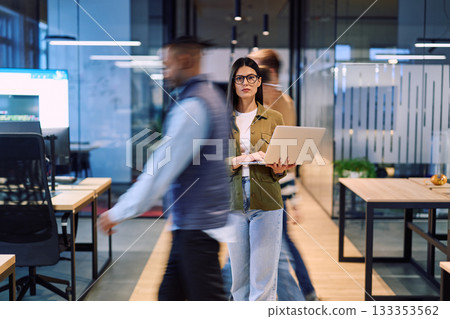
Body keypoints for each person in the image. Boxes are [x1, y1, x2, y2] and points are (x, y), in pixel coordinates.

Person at [99, 36, 230, 301]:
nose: (165, 72)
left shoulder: (193, 105)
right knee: (169, 297)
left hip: (197, 228)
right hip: (194, 225)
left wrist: (119, 211)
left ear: (185, 61)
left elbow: (160, 169)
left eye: (167, 65)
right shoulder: (212, 96)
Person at [248, 48, 318, 301]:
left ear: (270, 71)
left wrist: (292, 197)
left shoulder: (278, 103)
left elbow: (284, 156)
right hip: (266, 188)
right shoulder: (271, 100)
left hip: (271, 188)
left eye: (255, 67)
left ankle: (303, 296)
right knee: (279, 245)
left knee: (277, 249)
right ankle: (307, 292)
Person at [227, 57, 294, 301]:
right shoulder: (221, 119)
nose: (246, 82)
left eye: (251, 77)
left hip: (267, 204)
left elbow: (281, 170)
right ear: (233, 83)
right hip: (233, 205)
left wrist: (280, 167)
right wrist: (243, 159)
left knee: (263, 284)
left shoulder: (275, 117)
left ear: (259, 82)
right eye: (240, 78)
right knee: (239, 284)